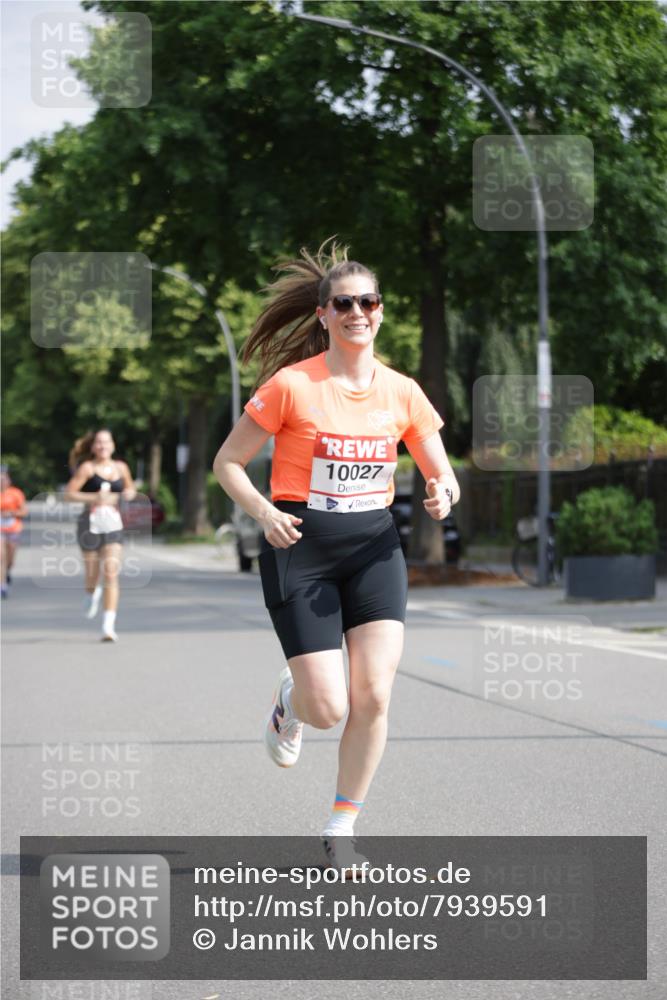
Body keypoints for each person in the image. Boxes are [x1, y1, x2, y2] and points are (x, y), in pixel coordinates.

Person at [213, 240, 460, 871]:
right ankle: (289, 704)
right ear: (323, 314)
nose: (359, 312)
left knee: (374, 695)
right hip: (302, 547)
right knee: (330, 709)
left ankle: (341, 827)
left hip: (375, 547)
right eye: (345, 303)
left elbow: (442, 472)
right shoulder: (292, 385)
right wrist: (264, 512)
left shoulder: (403, 392)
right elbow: (229, 462)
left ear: (381, 311)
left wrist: (441, 492)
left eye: (368, 302)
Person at [65, 429, 137, 642]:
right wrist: (95, 497)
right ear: (93, 447)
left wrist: (128, 494)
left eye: (107, 442)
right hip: (89, 523)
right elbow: (69, 494)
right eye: (99, 442)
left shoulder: (121, 467)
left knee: (111, 573)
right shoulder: (87, 468)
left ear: (113, 445)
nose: (103, 446)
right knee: (92, 575)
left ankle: (108, 626)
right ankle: (91, 593)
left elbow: (131, 489)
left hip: (113, 524)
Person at [0, 466, 28, 599]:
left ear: (8, 480)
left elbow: (24, 511)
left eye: (3, 479)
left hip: (13, 529)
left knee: (10, 559)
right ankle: (3, 586)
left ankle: (6, 572)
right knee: (1, 556)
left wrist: (11, 513)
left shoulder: (16, 493)